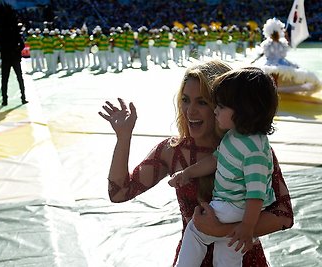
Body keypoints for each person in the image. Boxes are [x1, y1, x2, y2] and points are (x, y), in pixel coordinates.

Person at [98, 60, 293, 266]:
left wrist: (220, 231)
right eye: (185, 100)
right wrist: (123, 138)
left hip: (242, 258)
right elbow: (119, 193)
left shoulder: (250, 148)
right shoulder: (171, 151)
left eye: (202, 102)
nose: (190, 111)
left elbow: (284, 215)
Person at [169, 67, 278, 267]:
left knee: (195, 233)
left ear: (243, 110)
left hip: (232, 206)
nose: (215, 110)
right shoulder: (236, 137)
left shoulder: (253, 148)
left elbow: (256, 193)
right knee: (228, 255)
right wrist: (187, 173)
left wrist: (247, 226)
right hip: (236, 211)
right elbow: (214, 160)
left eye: (220, 106)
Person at [0, 2, 28, 106]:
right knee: (19, 78)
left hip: (7, 57)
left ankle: (5, 100)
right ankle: (23, 98)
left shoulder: (0, 33)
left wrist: (3, 50)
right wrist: (16, 50)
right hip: (14, 57)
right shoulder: (15, 32)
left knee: (5, 80)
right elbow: (22, 45)